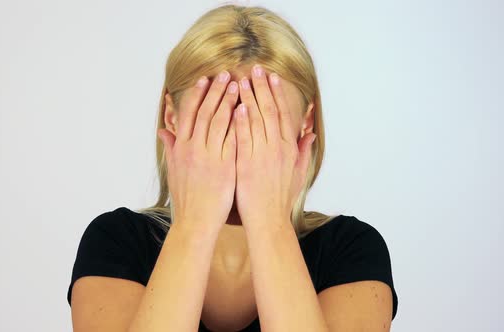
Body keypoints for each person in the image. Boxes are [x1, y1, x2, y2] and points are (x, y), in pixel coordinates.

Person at [67, 4, 398, 332]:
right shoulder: (115, 240)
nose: (241, 150)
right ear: (173, 118)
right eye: (215, 122)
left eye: (264, 126)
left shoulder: (353, 250)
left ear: (304, 123)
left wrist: (270, 223)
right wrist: (193, 225)